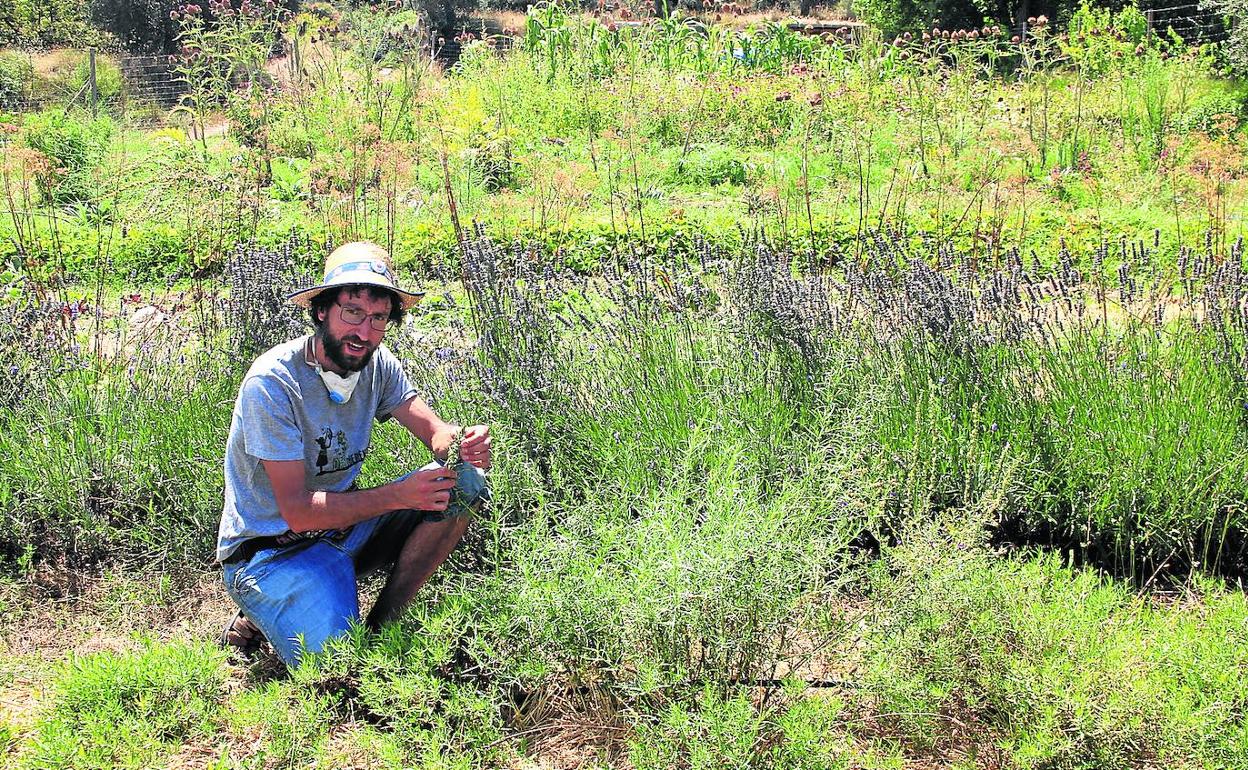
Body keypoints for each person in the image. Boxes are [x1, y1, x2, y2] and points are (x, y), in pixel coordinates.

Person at [216, 241, 491, 666]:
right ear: (322, 310)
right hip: (271, 551)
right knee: (336, 667)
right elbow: (299, 512)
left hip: (342, 530)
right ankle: (267, 603)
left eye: (379, 317)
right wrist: (400, 495)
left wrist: (461, 443)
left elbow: (434, 431)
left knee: (464, 484)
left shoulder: (378, 365)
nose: (364, 332)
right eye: (353, 313)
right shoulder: (273, 383)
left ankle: (383, 626)